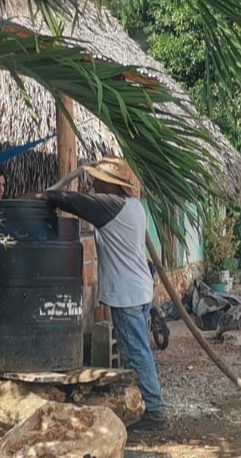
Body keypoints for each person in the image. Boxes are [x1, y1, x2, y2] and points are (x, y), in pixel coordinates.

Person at [32, 156, 167, 429]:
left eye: (97, 179)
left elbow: (69, 201)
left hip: (128, 293)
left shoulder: (111, 206)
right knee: (138, 351)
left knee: (136, 353)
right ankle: (145, 406)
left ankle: (154, 411)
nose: (93, 183)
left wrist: (44, 196)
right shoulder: (134, 206)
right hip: (139, 289)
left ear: (110, 183)